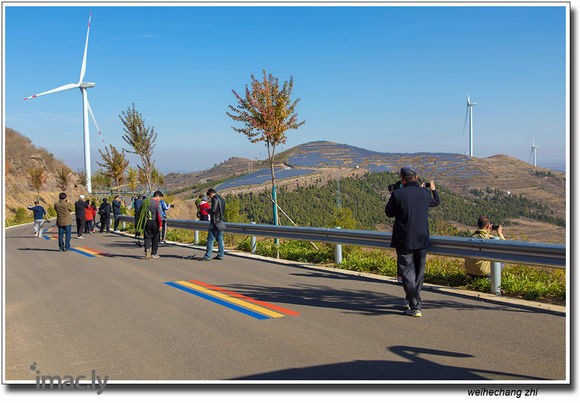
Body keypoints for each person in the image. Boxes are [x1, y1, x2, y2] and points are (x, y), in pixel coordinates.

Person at [385, 166, 440, 318]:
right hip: (422, 239)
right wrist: (433, 190)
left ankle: (415, 305)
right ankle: (413, 300)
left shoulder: (398, 193)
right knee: (419, 273)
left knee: (407, 273)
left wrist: (394, 195)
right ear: (416, 178)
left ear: (402, 179)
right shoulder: (424, 193)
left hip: (404, 240)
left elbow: (389, 213)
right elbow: (436, 202)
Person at [136, 191, 164, 259]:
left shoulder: (145, 202)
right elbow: (159, 216)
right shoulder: (158, 204)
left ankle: (147, 249)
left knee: (147, 237)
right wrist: (160, 225)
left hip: (147, 222)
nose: (160, 199)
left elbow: (140, 211)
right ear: (157, 196)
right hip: (155, 222)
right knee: (155, 238)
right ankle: (154, 253)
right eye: (160, 198)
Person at [201, 188, 226, 261]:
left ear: (211, 194)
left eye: (209, 196)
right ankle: (221, 254)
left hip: (215, 222)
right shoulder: (221, 199)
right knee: (220, 239)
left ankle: (208, 256)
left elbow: (213, 210)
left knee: (210, 239)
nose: (209, 198)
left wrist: (207, 210)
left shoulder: (214, 199)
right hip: (221, 222)